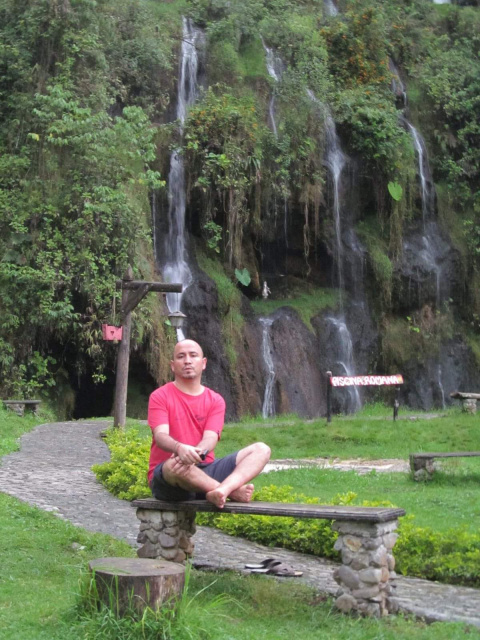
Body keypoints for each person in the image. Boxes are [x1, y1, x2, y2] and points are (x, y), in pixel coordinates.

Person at [148, 339, 271, 509]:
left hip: (205, 469)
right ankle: (229, 491)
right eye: (181, 356)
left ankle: (221, 490)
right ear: (172, 365)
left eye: (193, 355)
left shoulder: (215, 400)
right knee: (173, 466)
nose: (187, 361)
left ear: (203, 363)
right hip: (172, 479)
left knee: (262, 449)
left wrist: (196, 454)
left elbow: (211, 438)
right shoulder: (159, 396)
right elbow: (160, 435)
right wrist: (180, 449)